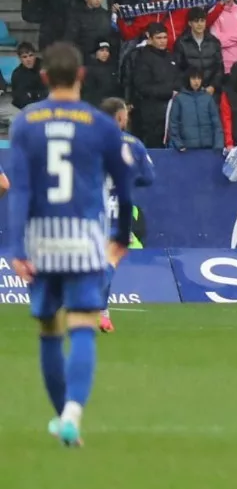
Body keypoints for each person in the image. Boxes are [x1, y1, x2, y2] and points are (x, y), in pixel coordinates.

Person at [4, 42, 138, 447]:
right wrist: (119, 238)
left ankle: (61, 412)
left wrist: (16, 249)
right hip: (84, 239)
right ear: (81, 76)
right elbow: (125, 183)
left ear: (44, 78)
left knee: (49, 329)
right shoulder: (98, 124)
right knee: (83, 323)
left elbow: (21, 191)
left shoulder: (26, 122)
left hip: (43, 241)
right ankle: (74, 414)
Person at [94, 97, 155, 334]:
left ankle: (103, 314)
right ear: (120, 118)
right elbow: (149, 178)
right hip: (118, 210)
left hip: (90, 209)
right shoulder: (133, 143)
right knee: (110, 260)